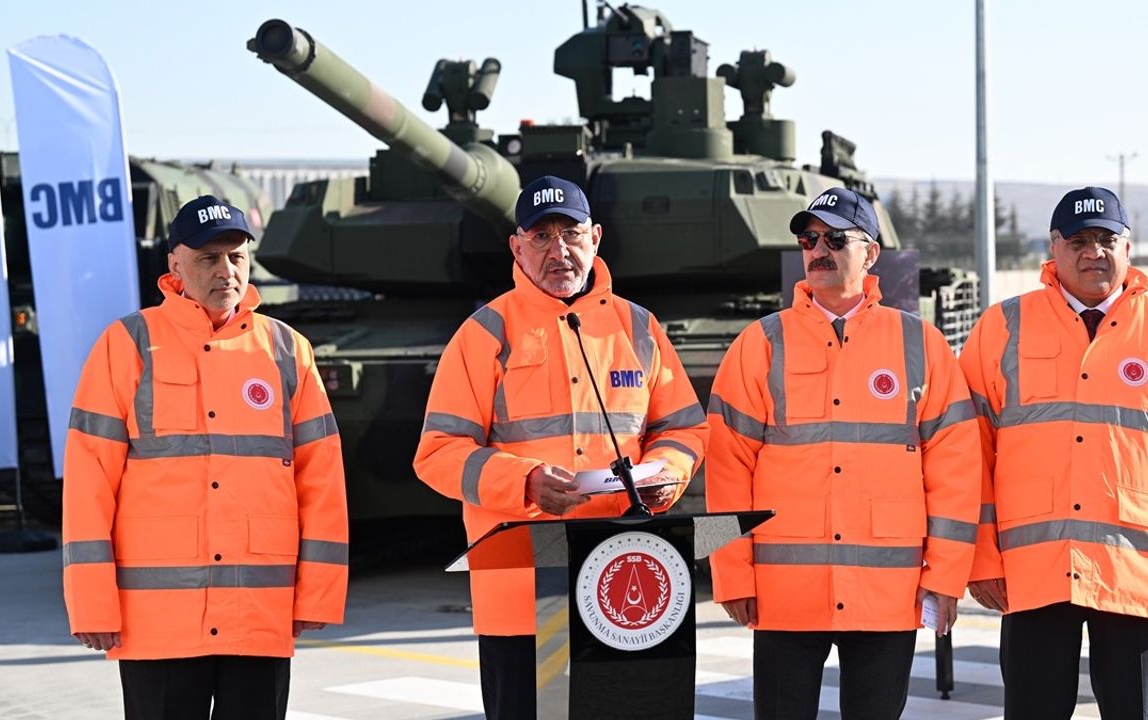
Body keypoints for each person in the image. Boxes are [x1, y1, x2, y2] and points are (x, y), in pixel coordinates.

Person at [414, 175, 709, 719]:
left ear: (595, 238)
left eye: (570, 233)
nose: (558, 250)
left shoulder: (638, 327)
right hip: (524, 595)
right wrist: (522, 482)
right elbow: (436, 452)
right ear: (516, 247)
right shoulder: (485, 333)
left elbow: (684, 429)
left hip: (624, 586)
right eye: (541, 236)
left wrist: (666, 471)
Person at [62, 195, 349, 720]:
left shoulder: (287, 351)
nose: (226, 271)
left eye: (236, 257)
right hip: (159, 621)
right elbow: (88, 482)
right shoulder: (126, 344)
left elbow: (322, 480)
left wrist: (317, 594)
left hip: (257, 614)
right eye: (208, 258)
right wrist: (91, 600)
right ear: (175, 266)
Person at [960, 186, 1148, 720]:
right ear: (1054, 248)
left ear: (1127, 248)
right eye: (1079, 240)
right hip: (1034, 570)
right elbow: (970, 454)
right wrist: (980, 556)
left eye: (1107, 239)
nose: (1094, 252)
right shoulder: (1003, 327)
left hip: (1136, 573)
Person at [706, 186, 981, 719]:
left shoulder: (920, 345)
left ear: (871, 253)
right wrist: (731, 573)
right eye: (809, 239)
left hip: (887, 596)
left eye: (835, 238)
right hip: (786, 596)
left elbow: (957, 472)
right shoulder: (760, 344)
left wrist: (946, 576)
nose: (818, 249)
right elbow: (724, 469)